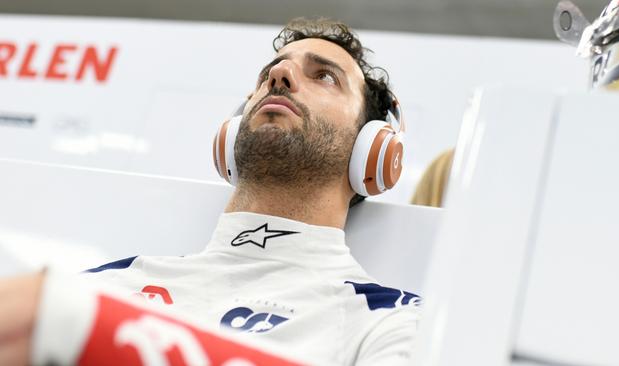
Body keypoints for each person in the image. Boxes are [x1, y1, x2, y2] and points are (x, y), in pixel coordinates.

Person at [0, 18, 418, 365]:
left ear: (373, 150)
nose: (280, 75)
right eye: (270, 72)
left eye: (324, 76)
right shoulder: (107, 285)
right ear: (231, 134)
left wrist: (68, 322)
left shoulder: (389, 321)